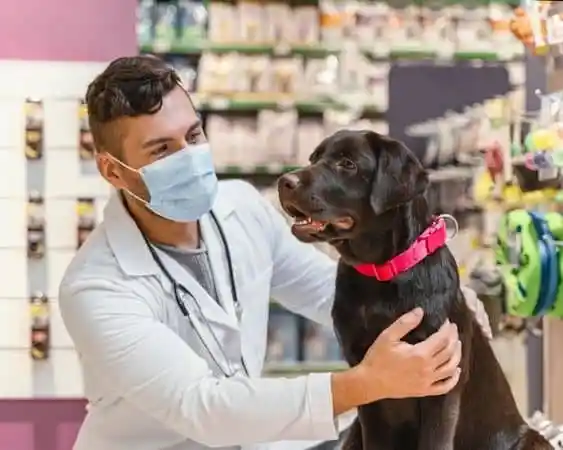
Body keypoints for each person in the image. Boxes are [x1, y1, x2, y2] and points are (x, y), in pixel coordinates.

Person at [59, 55, 493, 450]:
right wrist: (366, 383)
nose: (188, 157)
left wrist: (446, 307)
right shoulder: (96, 287)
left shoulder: (240, 207)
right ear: (113, 170)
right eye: (161, 150)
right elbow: (203, 408)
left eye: (193, 134)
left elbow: (331, 291)